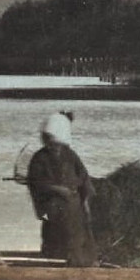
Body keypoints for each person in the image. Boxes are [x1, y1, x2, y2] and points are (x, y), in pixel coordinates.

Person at [26, 111, 97, 266]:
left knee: (77, 239)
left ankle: (80, 266)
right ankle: (53, 267)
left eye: (52, 139)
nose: (50, 143)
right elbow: (36, 183)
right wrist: (58, 190)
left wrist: (85, 202)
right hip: (52, 208)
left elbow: (84, 177)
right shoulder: (40, 158)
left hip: (74, 207)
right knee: (54, 239)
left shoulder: (70, 155)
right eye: (47, 139)